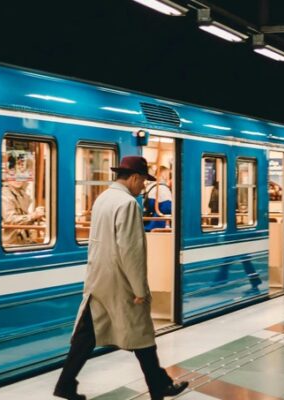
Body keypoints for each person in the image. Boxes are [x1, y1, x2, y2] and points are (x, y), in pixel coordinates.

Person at [54, 156, 188, 400]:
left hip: (98, 278)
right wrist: (140, 289)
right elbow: (131, 250)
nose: (143, 188)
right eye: (143, 182)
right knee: (142, 335)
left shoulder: (102, 199)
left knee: (86, 336)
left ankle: (65, 385)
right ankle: (159, 387)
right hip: (121, 282)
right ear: (135, 178)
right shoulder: (127, 204)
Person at [1, 180, 45, 245]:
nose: (18, 179)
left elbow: (24, 219)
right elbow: (10, 219)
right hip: (11, 242)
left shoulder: (22, 193)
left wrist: (38, 218)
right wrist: (34, 215)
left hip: (24, 240)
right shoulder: (4, 194)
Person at [143, 165, 173, 232]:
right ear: (163, 175)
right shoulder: (163, 188)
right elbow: (168, 208)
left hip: (148, 224)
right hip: (159, 225)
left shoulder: (150, 186)